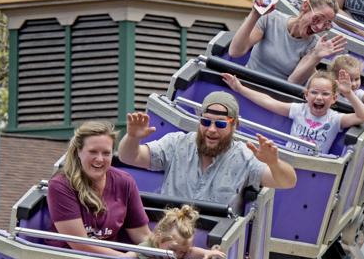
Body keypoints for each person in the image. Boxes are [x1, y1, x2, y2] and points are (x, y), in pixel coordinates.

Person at [118, 91, 297, 214]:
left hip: (213, 245)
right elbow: (129, 156)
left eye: (220, 124)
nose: (211, 130)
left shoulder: (244, 156)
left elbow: (287, 181)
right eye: (205, 122)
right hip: (167, 233)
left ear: (234, 126)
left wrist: (274, 162)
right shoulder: (176, 143)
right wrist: (132, 138)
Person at [47, 121, 151, 257]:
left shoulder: (125, 182)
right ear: (79, 151)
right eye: (93, 152)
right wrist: (125, 258)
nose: (100, 159)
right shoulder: (60, 186)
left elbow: (142, 235)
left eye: (106, 153)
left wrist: (168, 248)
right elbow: (81, 245)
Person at [222, 70, 364, 155]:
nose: (319, 97)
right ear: (306, 95)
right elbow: (269, 102)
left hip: (311, 166)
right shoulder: (299, 110)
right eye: (314, 92)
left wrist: (349, 93)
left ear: (334, 98)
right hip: (288, 157)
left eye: (325, 94)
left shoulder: (336, 119)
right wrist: (240, 89)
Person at [228, 0, 347, 84]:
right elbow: (235, 51)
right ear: (305, 7)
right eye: (318, 19)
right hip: (246, 83)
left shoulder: (314, 44)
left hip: (275, 96)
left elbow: (293, 82)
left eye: (327, 24)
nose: (320, 27)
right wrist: (255, 14)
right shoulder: (271, 19)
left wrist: (316, 56)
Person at [139, 205, 225, 259]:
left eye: (183, 252)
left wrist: (207, 253)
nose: (177, 256)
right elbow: (128, 258)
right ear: (158, 237)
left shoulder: (182, 252)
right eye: (172, 250)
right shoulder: (147, 247)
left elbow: (192, 252)